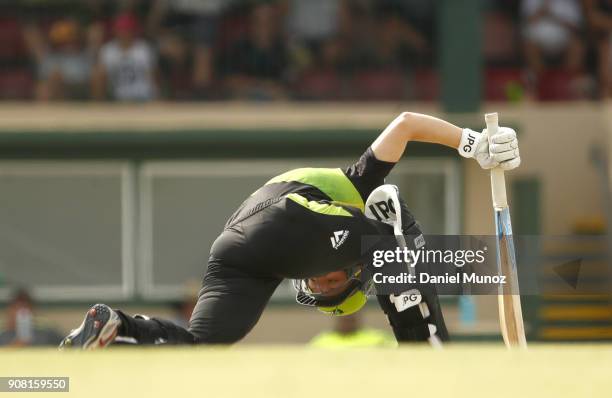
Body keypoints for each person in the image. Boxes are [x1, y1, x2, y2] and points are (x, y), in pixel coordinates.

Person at [59, 112, 521, 349]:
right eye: (333, 280)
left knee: (202, 347)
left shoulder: (301, 258)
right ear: (355, 273)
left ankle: (117, 328)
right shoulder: (358, 184)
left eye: (322, 287)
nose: (321, 280)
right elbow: (405, 124)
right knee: (385, 232)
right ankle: (425, 339)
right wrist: (471, 142)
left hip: (238, 251)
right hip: (287, 212)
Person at [310, 313, 396, 348]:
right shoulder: (321, 342)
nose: (347, 317)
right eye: (343, 314)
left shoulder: (378, 339)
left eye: (351, 314)